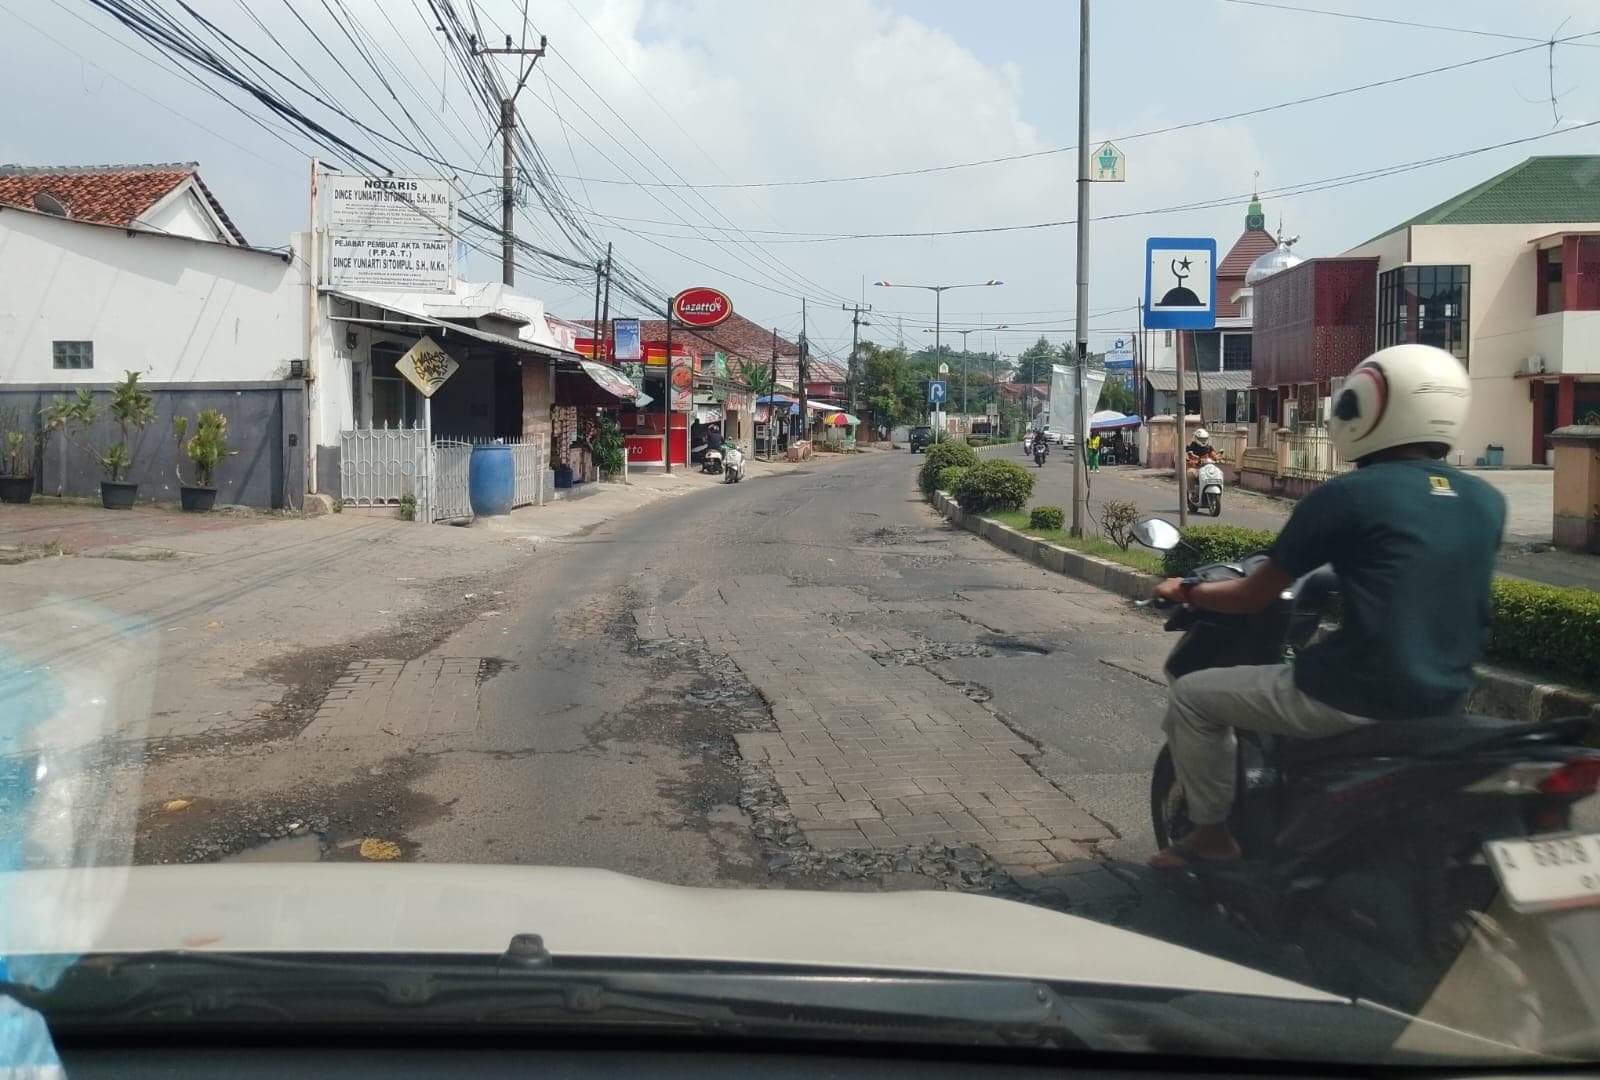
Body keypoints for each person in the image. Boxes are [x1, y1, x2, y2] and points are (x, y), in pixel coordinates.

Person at [1148, 344, 1504, 870]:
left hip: (1352, 693)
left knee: (1195, 699)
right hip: (1445, 696)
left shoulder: (1349, 495)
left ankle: (1210, 837)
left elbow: (1254, 595)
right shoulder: (1485, 500)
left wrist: (1187, 591)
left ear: (1368, 408)